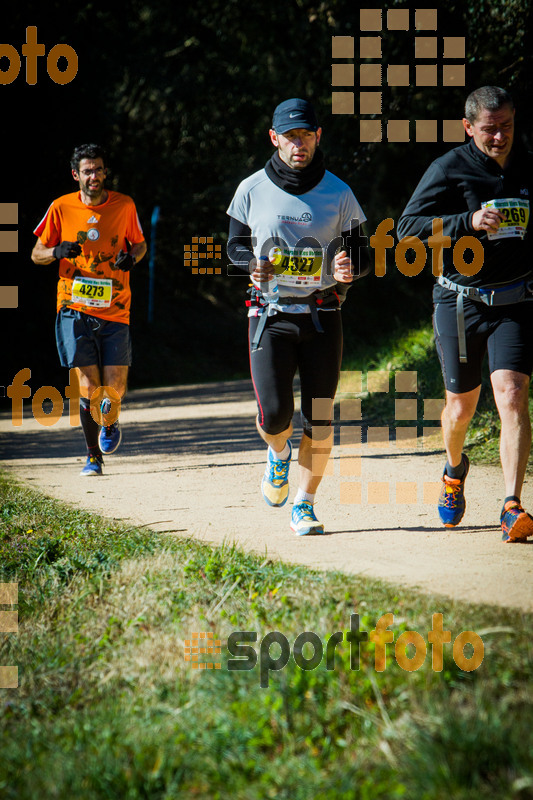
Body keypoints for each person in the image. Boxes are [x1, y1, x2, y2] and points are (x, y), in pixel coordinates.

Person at [227, 98, 369, 535]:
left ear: (318, 136)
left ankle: (305, 504)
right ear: (275, 138)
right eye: (290, 136)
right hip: (269, 315)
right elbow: (233, 247)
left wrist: (351, 268)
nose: (298, 144)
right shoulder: (251, 189)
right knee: (274, 416)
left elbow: (363, 253)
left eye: (306, 135)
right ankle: (279, 453)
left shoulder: (339, 192)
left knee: (321, 416)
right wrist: (249, 264)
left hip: (323, 314)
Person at [398, 86, 533, 542]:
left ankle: (512, 505)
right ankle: (454, 470)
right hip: (459, 302)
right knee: (461, 408)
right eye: (490, 129)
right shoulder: (448, 169)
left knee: (512, 395)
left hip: (516, 301)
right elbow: (407, 230)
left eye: (507, 127)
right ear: (468, 127)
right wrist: (466, 222)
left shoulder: (528, 163)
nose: (500, 138)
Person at [31, 143, 146, 476]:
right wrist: (56, 251)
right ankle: (93, 456)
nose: (93, 176)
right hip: (73, 305)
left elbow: (139, 244)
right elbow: (36, 253)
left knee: (115, 386)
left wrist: (132, 257)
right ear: (75, 175)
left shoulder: (124, 205)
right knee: (88, 383)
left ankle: (109, 421)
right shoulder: (60, 207)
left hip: (115, 306)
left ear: (105, 172)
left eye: (98, 169)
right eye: (87, 171)